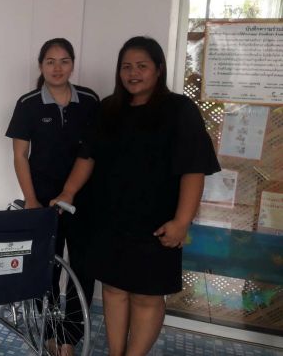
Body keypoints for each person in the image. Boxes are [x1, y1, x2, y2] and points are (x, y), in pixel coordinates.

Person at [51, 36, 220, 356]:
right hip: (109, 217)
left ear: (158, 69)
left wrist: (182, 222)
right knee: (114, 290)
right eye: (126, 67)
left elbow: (194, 170)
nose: (133, 73)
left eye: (142, 66)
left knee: (146, 296)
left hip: (157, 223)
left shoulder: (179, 110)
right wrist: (68, 192)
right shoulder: (108, 109)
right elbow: (88, 157)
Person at [6, 38, 99, 356]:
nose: (57, 68)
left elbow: (93, 151)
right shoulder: (28, 103)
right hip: (42, 200)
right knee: (45, 267)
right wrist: (30, 200)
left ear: (72, 64)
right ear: (41, 65)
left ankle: (69, 337)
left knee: (82, 269)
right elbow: (20, 156)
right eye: (50, 61)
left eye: (64, 61)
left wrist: (71, 192)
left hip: (83, 199)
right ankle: (47, 332)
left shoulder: (89, 100)